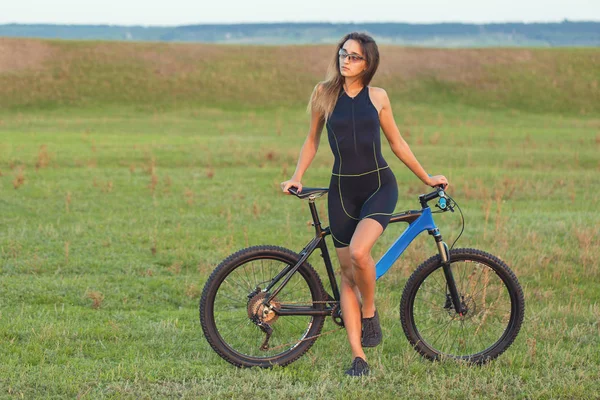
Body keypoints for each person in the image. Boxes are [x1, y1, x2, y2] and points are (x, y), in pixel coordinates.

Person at [280, 32, 449, 377]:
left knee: (359, 254)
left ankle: (369, 312)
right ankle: (359, 356)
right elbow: (311, 141)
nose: (346, 60)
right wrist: (297, 174)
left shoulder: (378, 97)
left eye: (355, 56)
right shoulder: (323, 94)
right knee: (347, 275)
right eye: (343, 53)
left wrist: (426, 176)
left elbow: (396, 142)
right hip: (341, 191)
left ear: (368, 63)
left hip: (378, 186)